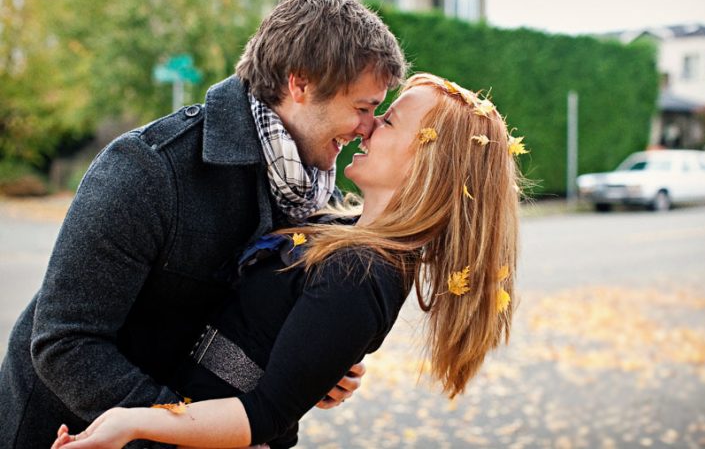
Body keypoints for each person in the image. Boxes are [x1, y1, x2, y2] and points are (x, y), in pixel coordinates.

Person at [0, 0, 406, 449]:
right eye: (363, 108)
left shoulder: (320, 195)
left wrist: (310, 360)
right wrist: (182, 438)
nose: (369, 129)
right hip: (66, 430)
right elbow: (64, 342)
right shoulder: (149, 168)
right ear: (301, 84)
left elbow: (256, 334)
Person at [51, 73, 523, 449]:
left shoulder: (367, 271)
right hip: (184, 415)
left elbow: (265, 415)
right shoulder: (341, 226)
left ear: (428, 165)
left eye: (390, 121)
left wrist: (131, 423)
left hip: (201, 432)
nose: (370, 125)